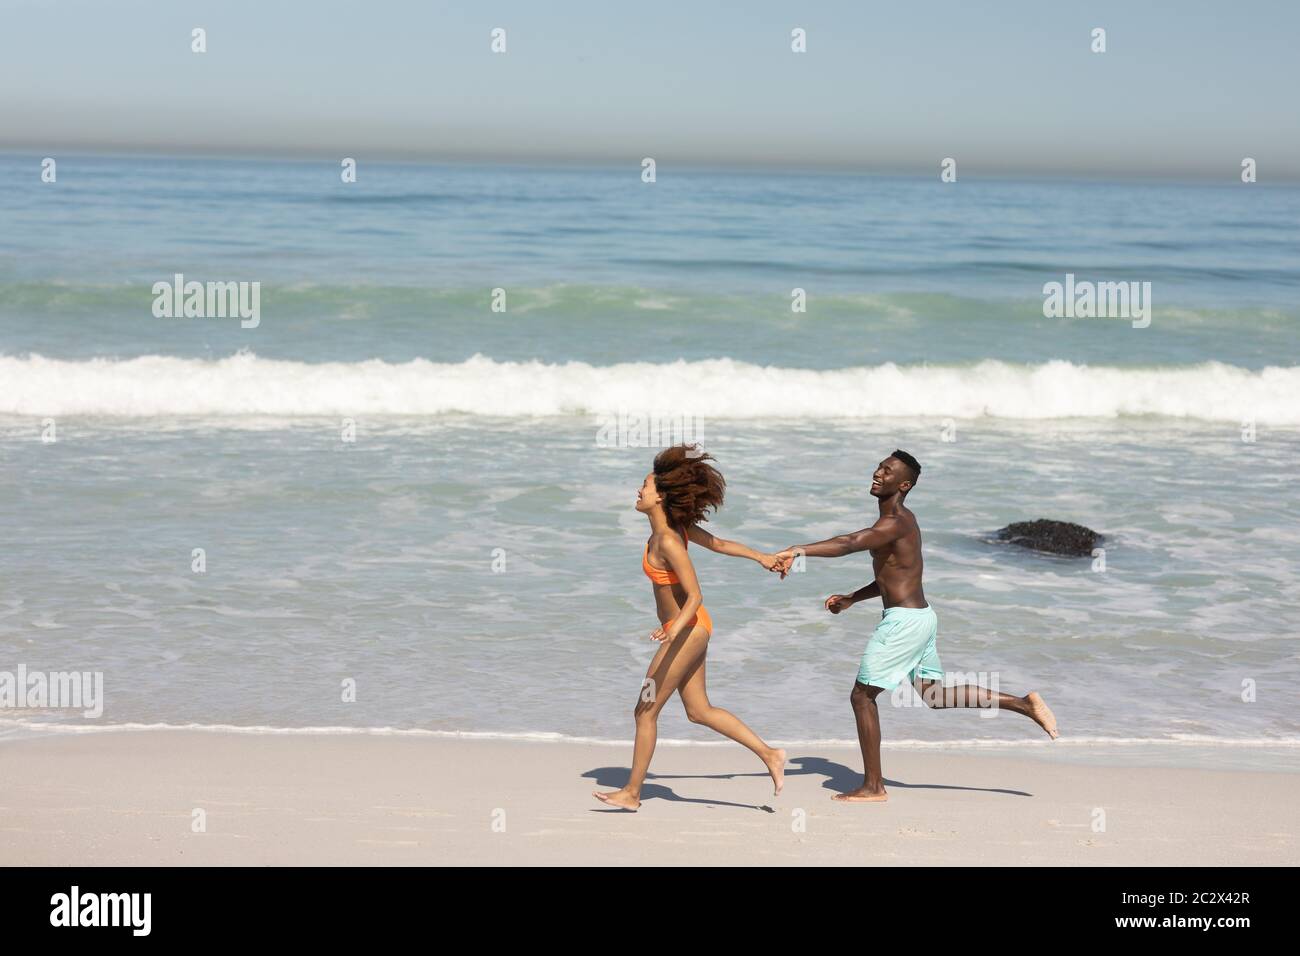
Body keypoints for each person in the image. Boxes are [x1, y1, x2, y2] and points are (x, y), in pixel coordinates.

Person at [773, 450, 1058, 803]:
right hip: (920, 617)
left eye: (887, 471)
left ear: (903, 484)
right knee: (934, 696)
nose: (878, 473)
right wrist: (851, 598)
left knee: (862, 697)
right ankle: (1022, 704)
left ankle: (873, 786)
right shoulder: (902, 523)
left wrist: (798, 550)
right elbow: (893, 578)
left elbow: (849, 543)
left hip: (904, 623)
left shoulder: (894, 523)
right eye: (879, 466)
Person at [594, 444, 787, 811]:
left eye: (645, 486)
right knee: (699, 710)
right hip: (688, 629)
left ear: (661, 497)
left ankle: (632, 793)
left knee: (645, 710)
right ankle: (771, 755)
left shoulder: (668, 540)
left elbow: (695, 595)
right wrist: (762, 557)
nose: (639, 491)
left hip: (687, 629)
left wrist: (672, 629)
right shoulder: (672, 531)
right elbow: (719, 543)